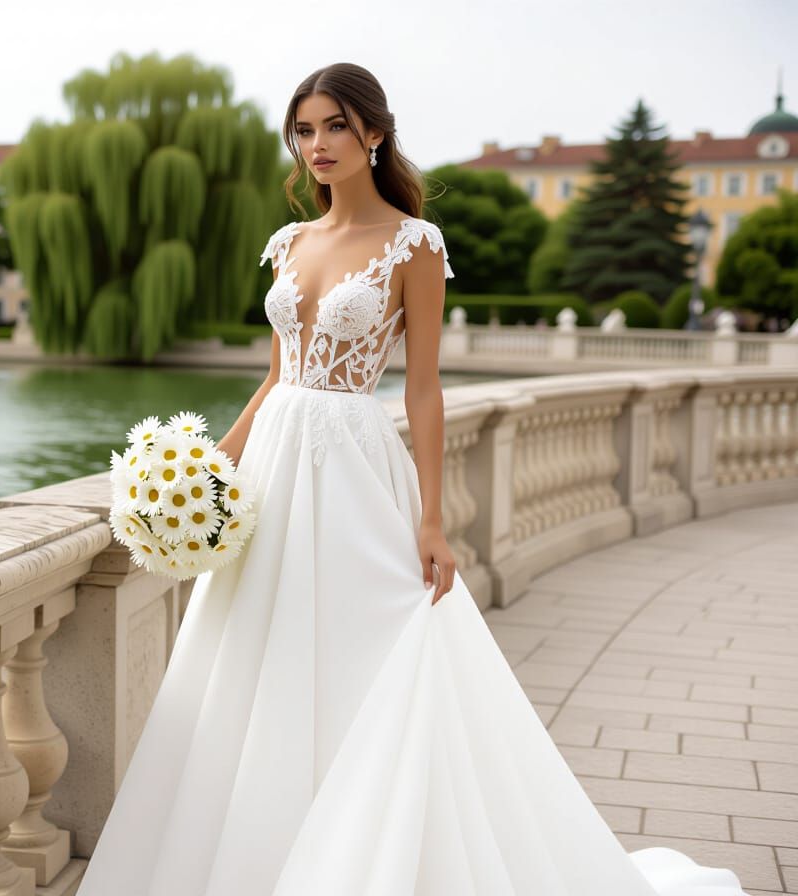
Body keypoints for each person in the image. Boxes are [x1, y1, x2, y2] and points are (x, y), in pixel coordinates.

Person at [76, 63, 750, 895]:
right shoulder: (289, 243)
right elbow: (278, 373)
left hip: (354, 465)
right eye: (304, 130)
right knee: (255, 651)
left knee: (371, 647)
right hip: (278, 462)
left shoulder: (414, 244)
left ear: (374, 134)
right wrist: (215, 463)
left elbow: (424, 388)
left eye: (332, 126)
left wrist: (433, 521)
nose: (316, 145)